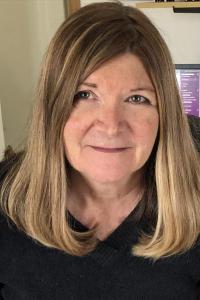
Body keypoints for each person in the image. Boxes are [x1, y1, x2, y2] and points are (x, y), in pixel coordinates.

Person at [0, 2, 200, 299]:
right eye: (85, 94)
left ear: (164, 115)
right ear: (52, 106)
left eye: (136, 98)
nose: (110, 126)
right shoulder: (6, 202)